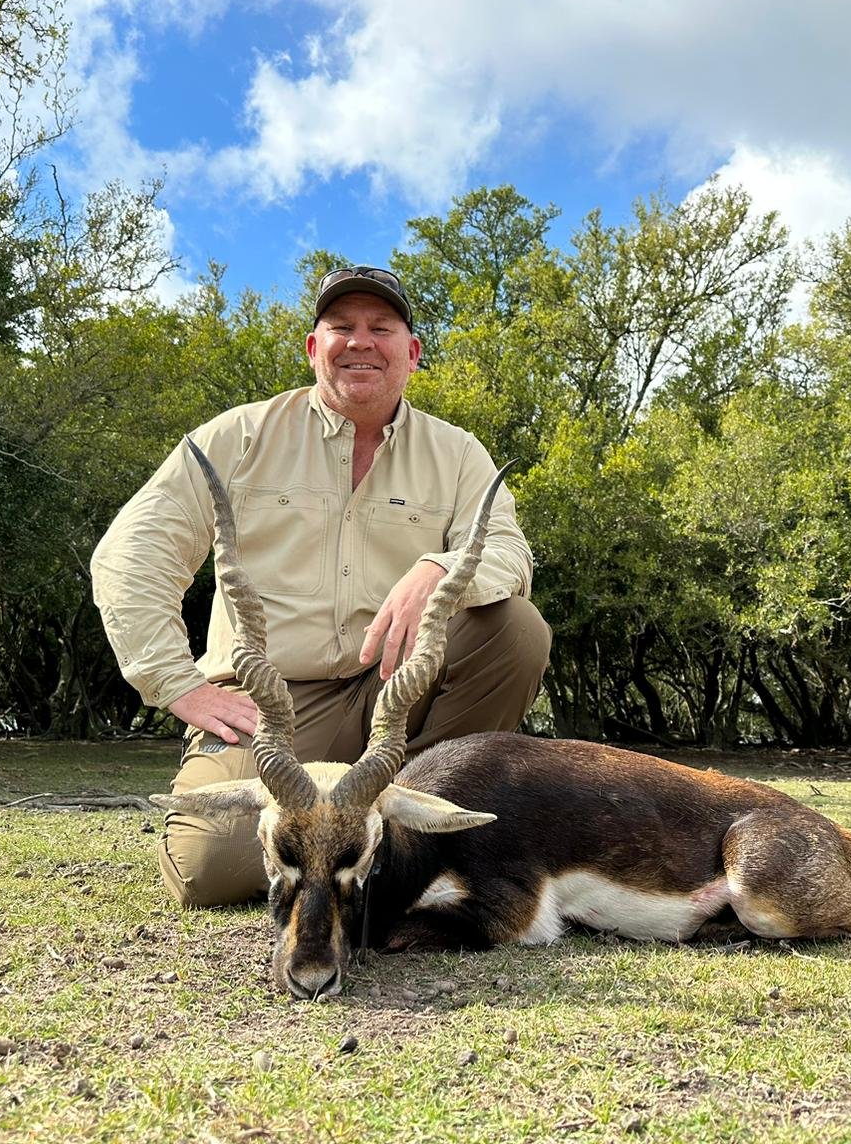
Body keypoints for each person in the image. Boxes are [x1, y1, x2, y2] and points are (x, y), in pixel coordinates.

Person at [91, 264, 551, 907]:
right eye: (341, 327)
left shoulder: (458, 452)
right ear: (314, 347)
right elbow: (131, 553)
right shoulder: (237, 436)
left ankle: (417, 828)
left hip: (389, 699)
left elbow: (508, 552)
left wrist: (440, 568)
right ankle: (386, 849)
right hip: (268, 713)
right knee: (212, 869)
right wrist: (176, 682)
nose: (360, 341)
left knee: (516, 630)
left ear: (412, 353)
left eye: (381, 327)